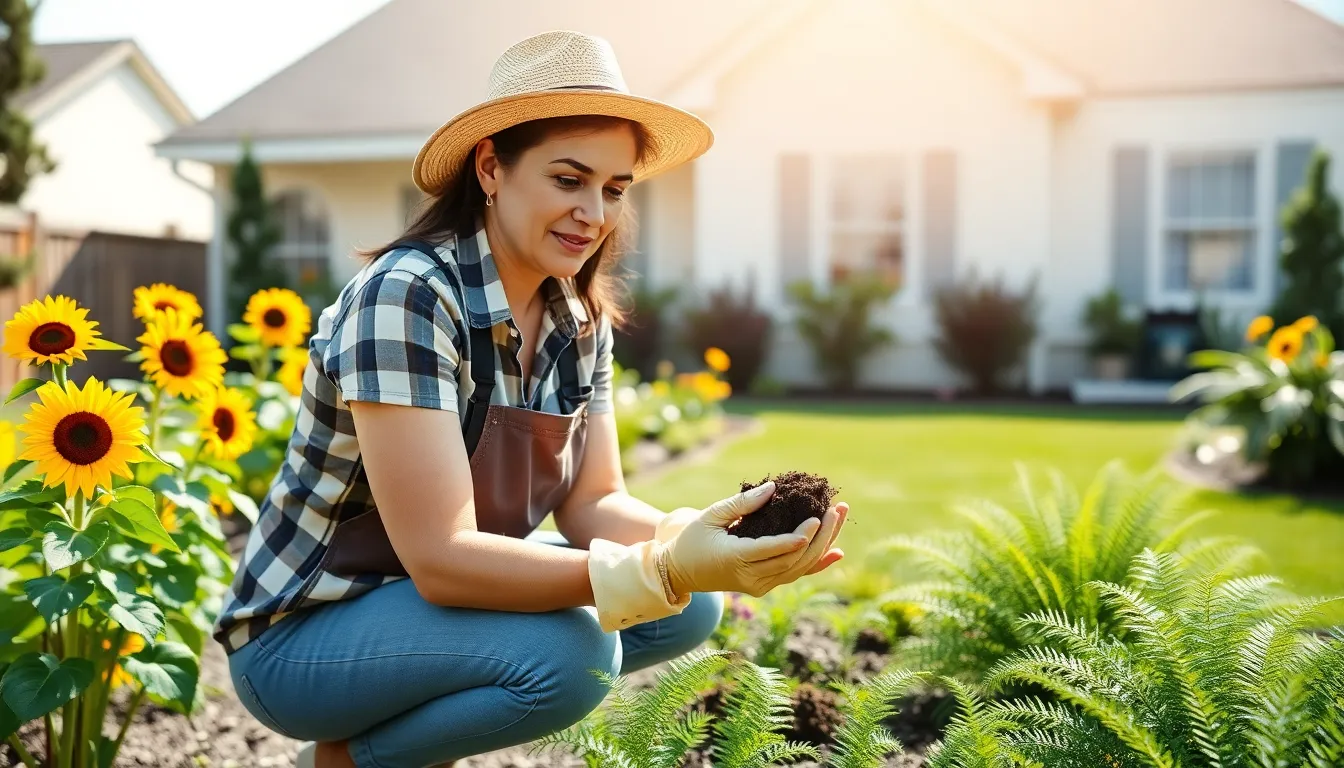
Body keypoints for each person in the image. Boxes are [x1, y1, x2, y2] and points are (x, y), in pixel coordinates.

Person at [218, 30, 848, 768]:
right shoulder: (408, 299)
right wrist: (663, 568)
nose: (595, 212)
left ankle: (400, 738)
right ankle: (347, 762)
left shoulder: (577, 320)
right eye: (568, 179)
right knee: (574, 652)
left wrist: (714, 541)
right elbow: (442, 558)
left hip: (430, 607)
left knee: (688, 609)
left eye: (614, 189)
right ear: (492, 167)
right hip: (306, 636)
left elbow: (592, 504)